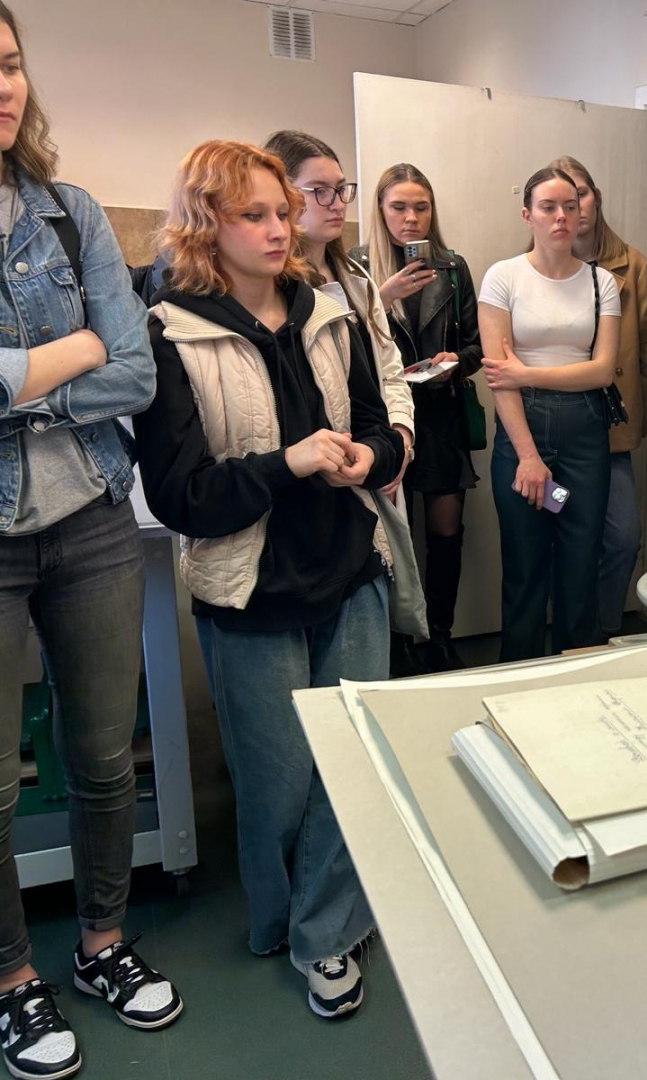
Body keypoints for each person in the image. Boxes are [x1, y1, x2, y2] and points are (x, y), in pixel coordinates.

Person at [136, 139, 402, 1021]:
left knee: (353, 767)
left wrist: (371, 457)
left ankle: (325, 933)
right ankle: (287, 919)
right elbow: (181, 497)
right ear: (205, 223)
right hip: (250, 591)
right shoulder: (172, 331)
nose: (280, 229)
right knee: (279, 786)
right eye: (254, 214)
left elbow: (378, 422)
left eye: (283, 212)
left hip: (350, 569)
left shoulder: (328, 312)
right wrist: (288, 463)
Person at [0, 5, 183, 1074]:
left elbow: (135, 371)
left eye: (10, 66)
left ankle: (102, 942)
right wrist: (68, 355)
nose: (3, 88)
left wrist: (19, 382)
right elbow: (97, 358)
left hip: (94, 517)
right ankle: (12, 980)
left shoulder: (68, 214)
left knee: (105, 758)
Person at [478, 167, 619, 661]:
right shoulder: (504, 277)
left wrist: (528, 373)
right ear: (528, 215)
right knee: (525, 564)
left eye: (570, 206)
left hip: (584, 437)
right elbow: (501, 378)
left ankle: (574, 682)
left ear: (582, 213)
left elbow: (602, 371)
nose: (561, 216)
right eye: (548, 207)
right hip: (524, 434)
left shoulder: (602, 282)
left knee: (580, 563)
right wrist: (529, 458)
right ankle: (517, 679)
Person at [353, 164, 482, 672]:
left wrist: (455, 361)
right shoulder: (357, 266)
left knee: (446, 534)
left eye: (421, 207)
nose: (411, 218)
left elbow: (475, 345)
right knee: (391, 534)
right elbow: (342, 343)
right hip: (384, 420)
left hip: (441, 414)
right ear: (381, 210)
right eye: (399, 207)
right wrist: (381, 297)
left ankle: (441, 635)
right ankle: (397, 640)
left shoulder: (452, 267)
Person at [263, 130, 414, 499]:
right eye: (319, 191)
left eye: (341, 189)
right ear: (283, 196)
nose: (337, 204)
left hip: (371, 457)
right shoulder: (269, 289)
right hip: (307, 473)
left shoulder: (356, 279)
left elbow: (389, 368)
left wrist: (399, 438)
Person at [547, 156, 647, 638]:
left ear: (596, 197)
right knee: (559, 532)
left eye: (581, 193)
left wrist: (634, 426)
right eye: (561, 198)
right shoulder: (532, 265)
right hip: (552, 435)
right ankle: (568, 635)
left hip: (609, 435)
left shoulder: (633, 265)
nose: (572, 207)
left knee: (622, 537)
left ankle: (603, 632)